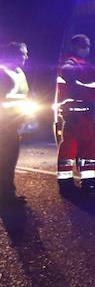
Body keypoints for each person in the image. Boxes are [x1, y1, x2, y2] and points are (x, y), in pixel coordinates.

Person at [55, 34, 95, 193]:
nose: (87, 49)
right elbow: (74, 87)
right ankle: (66, 183)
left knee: (88, 149)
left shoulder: (85, 65)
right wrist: (89, 104)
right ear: (76, 47)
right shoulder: (70, 65)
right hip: (75, 115)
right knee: (70, 148)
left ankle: (88, 182)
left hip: (86, 115)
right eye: (85, 46)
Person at [1, 41, 32, 202]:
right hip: (3, 126)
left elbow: (24, 97)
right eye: (23, 53)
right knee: (5, 160)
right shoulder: (2, 73)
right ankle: (6, 196)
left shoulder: (19, 72)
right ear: (13, 54)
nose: (26, 56)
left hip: (14, 125)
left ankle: (7, 193)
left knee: (10, 159)